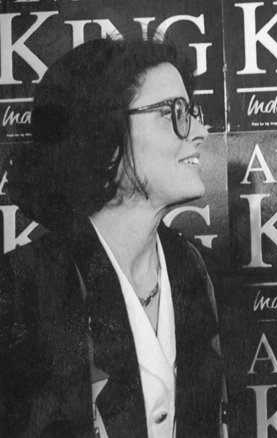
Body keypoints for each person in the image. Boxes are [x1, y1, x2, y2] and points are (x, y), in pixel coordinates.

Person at [0, 38, 226, 437]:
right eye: (175, 112)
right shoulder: (21, 290)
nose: (201, 131)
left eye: (191, 112)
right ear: (105, 137)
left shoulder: (195, 271)